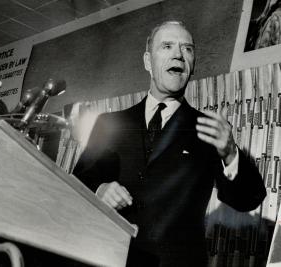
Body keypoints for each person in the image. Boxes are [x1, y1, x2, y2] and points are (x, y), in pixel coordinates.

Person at [73, 21, 266, 267]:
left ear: (193, 64)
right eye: (167, 46)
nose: (178, 54)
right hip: (107, 256)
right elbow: (77, 182)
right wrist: (99, 190)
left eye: (187, 49)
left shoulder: (208, 129)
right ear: (147, 61)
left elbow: (248, 199)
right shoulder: (109, 123)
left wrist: (230, 154)